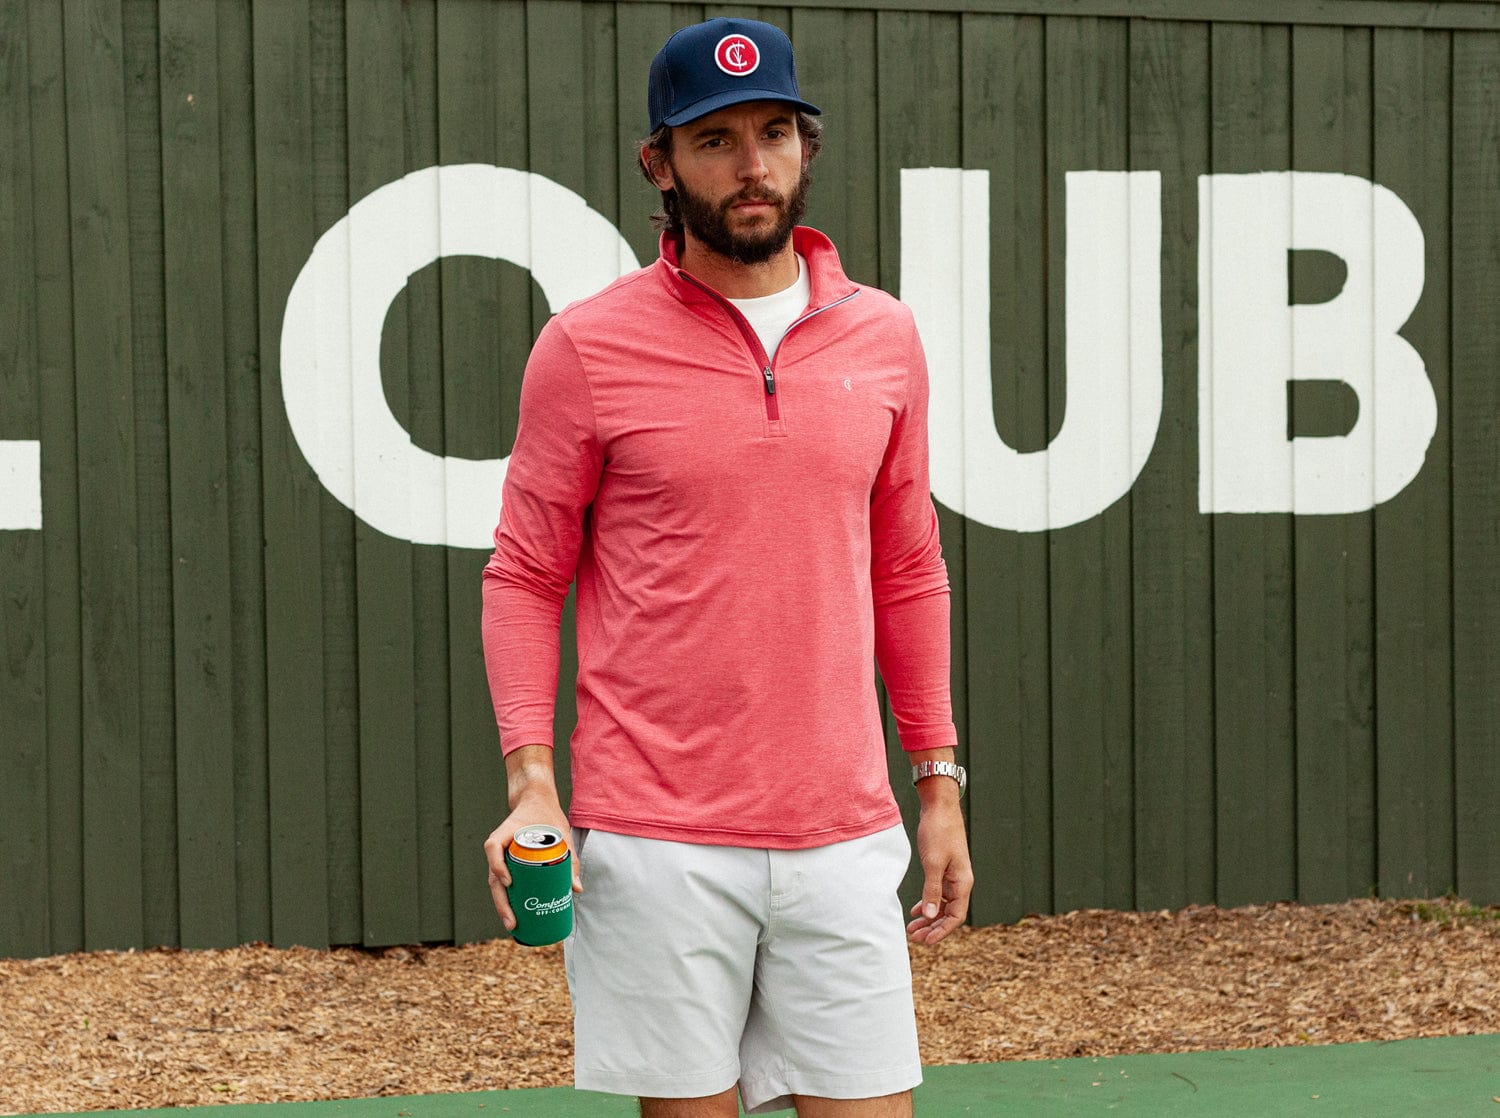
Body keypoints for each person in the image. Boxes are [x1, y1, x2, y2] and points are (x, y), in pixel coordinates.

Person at [480, 17, 972, 1118]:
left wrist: (937, 787)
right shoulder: (586, 347)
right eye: (715, 140)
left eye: (774, 133)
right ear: (659, 164)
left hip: (844, 831)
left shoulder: (884, 336)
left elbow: (908, 566)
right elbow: (524, 573)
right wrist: (531, 779)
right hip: (656, 842)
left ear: (806, 147)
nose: (753, 166)